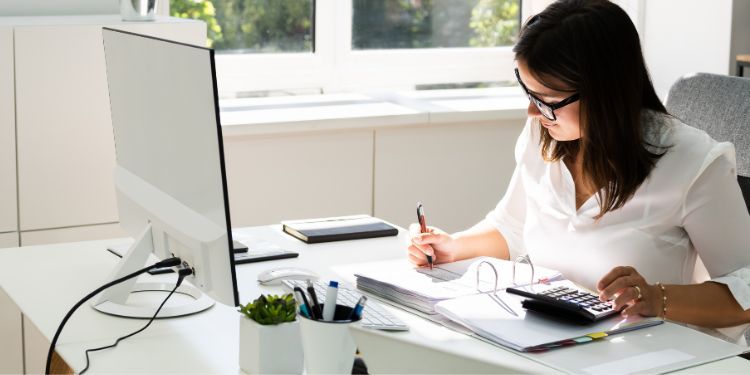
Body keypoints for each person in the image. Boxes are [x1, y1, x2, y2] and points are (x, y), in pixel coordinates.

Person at [407, 0, 750, 342]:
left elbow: (746, 289)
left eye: (547, 99)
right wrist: (454, 247)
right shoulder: (543, 137)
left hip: (646, 352)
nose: (532, 111)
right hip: (551, 339)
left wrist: (656, 298)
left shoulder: (695, 163)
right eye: (528, 91)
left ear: (604, 93)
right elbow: (511, 227)